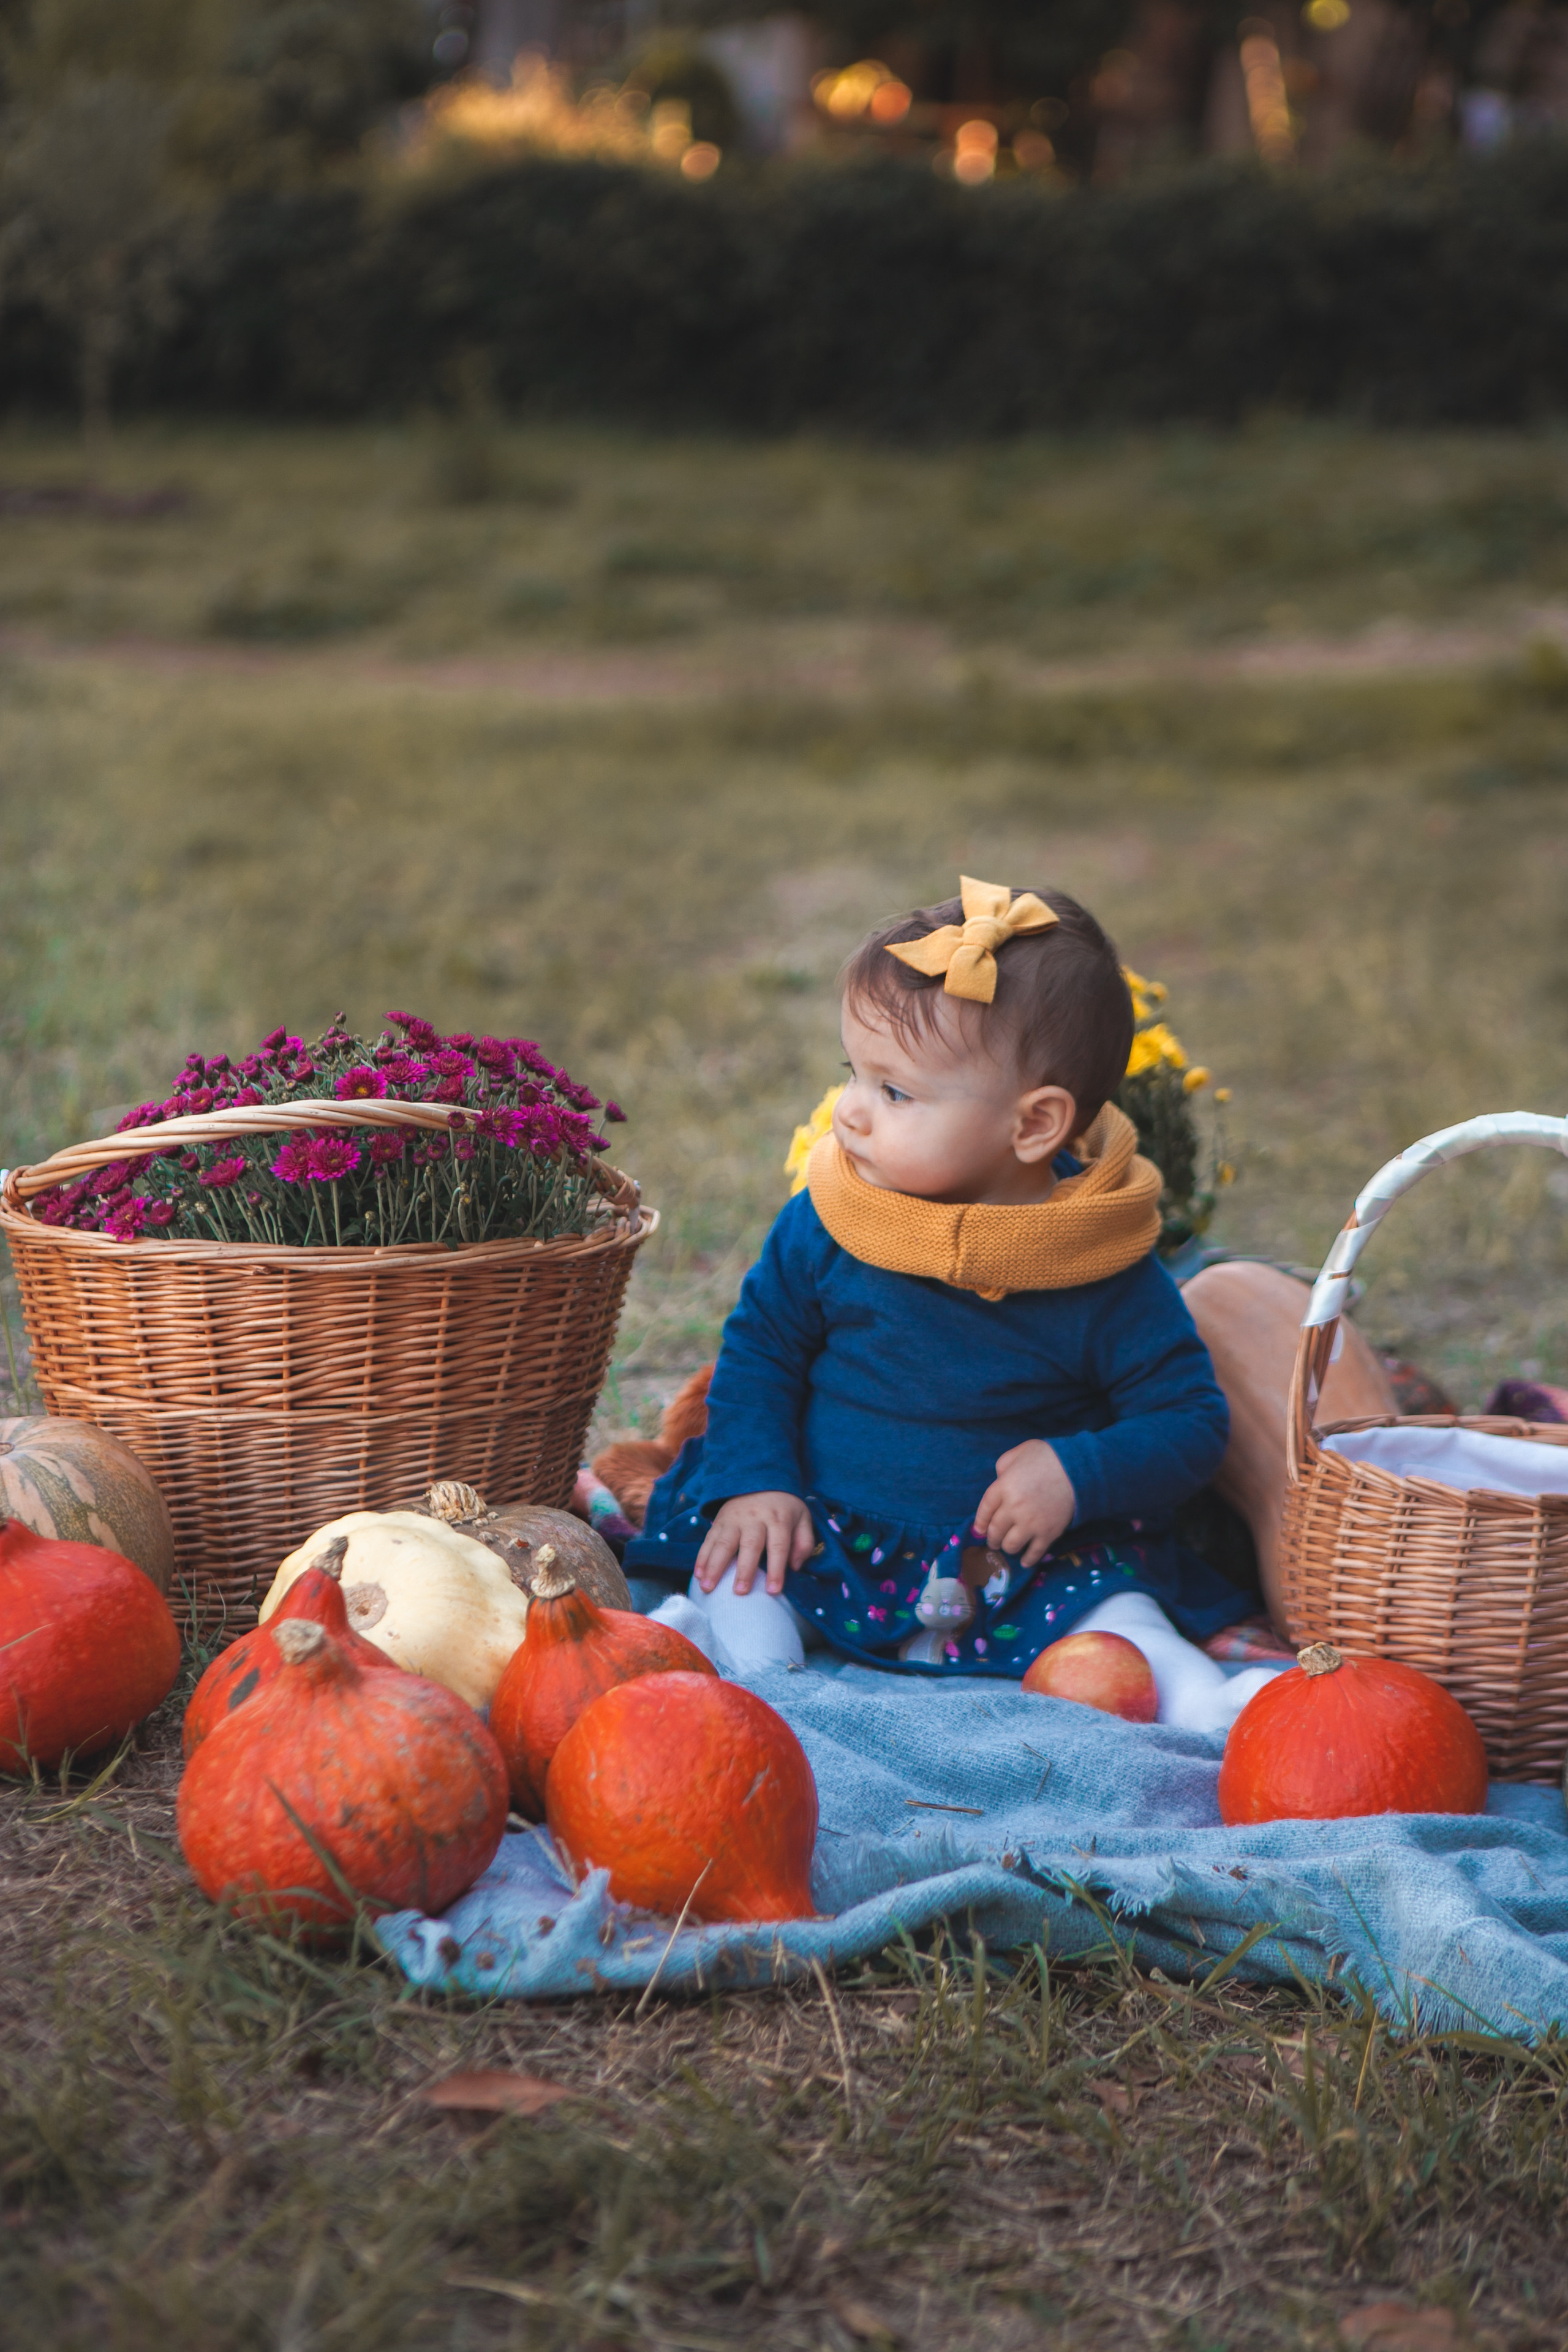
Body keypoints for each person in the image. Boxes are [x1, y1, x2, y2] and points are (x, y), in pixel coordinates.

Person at [624, 876, 1284, 1733]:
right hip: (829, 1532)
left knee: (1117, 1622)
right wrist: (759, 1484)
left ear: (1035, 1125)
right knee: (744, 1577)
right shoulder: (835, 1218)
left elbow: (1191, 1420)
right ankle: (716, 1665)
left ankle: (1204, 1700)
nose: (850, 1114)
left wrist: (1079, 1472)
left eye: (894, 1092)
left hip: (1019, 1566)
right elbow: (761, 1355)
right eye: (851, 1075)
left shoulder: (1097, 1259)